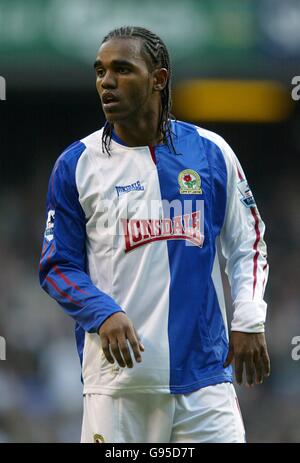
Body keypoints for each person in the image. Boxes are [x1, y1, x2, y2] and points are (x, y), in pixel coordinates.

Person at [39, 26, 270, 443]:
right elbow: (58, 266)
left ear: (158, 79)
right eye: (100, 71)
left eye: (122, 69)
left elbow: (247, 242)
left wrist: (249, 318)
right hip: (120, 385)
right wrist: (102, 311)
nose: (106, 82)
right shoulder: (77, 164)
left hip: (205, 382)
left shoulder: (211, 151)